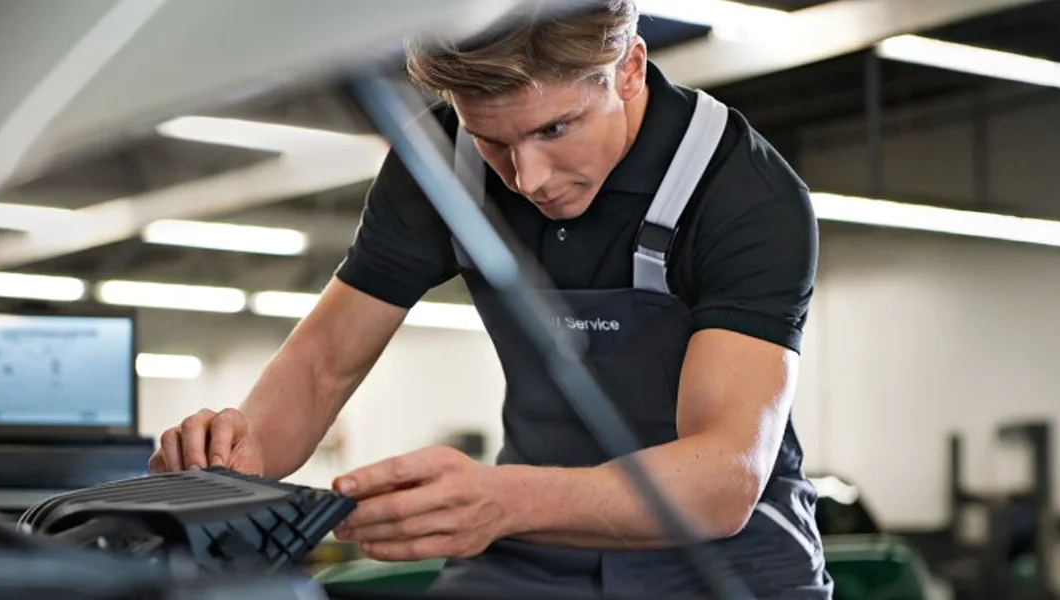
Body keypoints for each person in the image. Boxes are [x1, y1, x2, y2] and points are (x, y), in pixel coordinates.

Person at [149, 1, 827, 596]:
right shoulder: (440, 162)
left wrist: (502, 499)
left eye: (555, 129)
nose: (528, 176)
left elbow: (722, 479)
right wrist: (235, 464)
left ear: (629, 68)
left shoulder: (744, 194)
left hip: (728, 556)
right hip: (533, 551)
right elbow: (324, 363)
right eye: (492, 140)